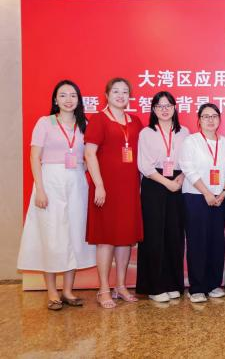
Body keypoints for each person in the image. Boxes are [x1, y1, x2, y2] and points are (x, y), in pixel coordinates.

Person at [17, 80, 96, 310]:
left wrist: (83, 171)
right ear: (55, 99)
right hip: (50, 181)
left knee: (73, 234)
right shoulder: (45, 122)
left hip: (76, 183)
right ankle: (52, 293)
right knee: (51, 236)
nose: (68, 100)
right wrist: (40, 189)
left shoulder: (84, 124)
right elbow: (34, 157)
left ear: (79, 100)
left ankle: (68, 291)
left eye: (73, 95)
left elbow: (89, 155)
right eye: (63, 95)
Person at [85, 78, 143, 308]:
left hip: (129, 188)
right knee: (106, 238)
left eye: (125, 92)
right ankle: (103, 289)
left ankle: (120, 285)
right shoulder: (99, 119)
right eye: (116, 91)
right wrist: (99, 185)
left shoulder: (135, 121)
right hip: (106, 188)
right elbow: (89, 154)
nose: (121, 95)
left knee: (125, 238)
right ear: (107, 95)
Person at [136, 91, 189, 303]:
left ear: (175, 108)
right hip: (155, 184)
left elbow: (188, 160)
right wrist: (167, 183)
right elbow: (144, 165)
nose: (164, 109)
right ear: (153, 109)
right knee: (154, 235)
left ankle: (173, 283)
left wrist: (181, 178)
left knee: (174, 235)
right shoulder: (146, 133)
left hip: (178, 182)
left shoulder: (184, 132)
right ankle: (155, 287)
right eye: (160, 106)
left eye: (168, 105)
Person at [179, 103, 225, 303]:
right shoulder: (191, 141)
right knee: (197, 241)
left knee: (217, 241)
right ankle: (197, 287)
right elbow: (188, 169)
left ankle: (214, 284)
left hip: (220, 198)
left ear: (219, 119)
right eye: (205, 116)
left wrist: (224, 192)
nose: (210, 120)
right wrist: (207, 193)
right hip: (196, 196)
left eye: (214, 116)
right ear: (199, 120)